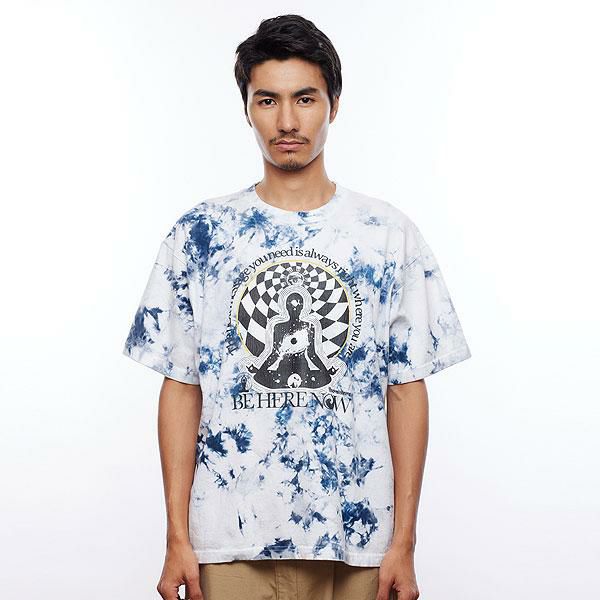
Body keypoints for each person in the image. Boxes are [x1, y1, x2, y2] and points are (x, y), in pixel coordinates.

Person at [122, 13, 472, 600]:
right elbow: (181, 387)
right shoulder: (201, 234)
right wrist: (177, 538)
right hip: (229, 541)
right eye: (268, 100)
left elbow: (406, 389)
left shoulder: (386, 234)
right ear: (247, 109)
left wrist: (404, 543)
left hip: (357, 540)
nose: (287, 122)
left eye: (305, 99)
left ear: (334, 104)